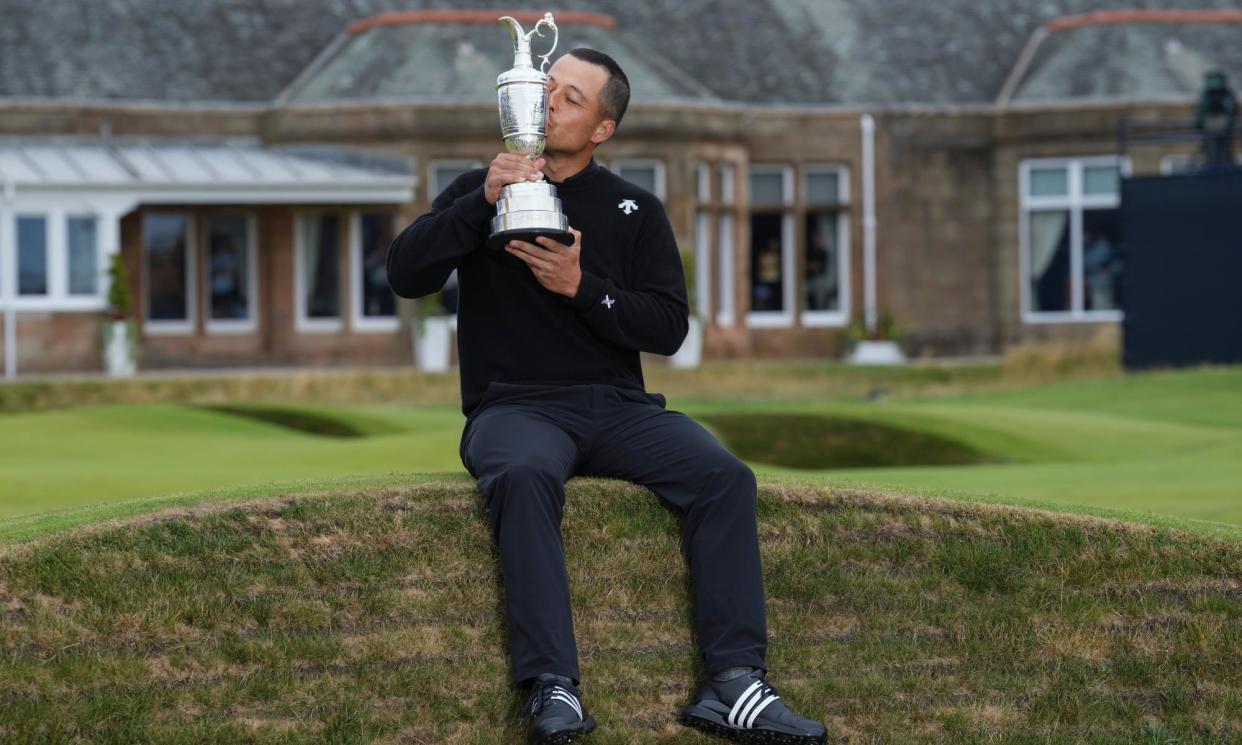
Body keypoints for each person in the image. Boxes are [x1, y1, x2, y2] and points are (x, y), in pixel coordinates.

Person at [387, 47, 826, 745]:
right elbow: (406, 275)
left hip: (618, 409)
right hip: (513, 408)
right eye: (548, 89)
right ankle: (551, 685)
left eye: (570, 98)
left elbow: (668, 327)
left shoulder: (636, 209)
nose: (550, 103)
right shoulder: (481, 187)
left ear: (601, 129)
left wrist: (581, 286)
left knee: (724, 475)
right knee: (525, 473)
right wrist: (480, 202)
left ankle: (735, 683)